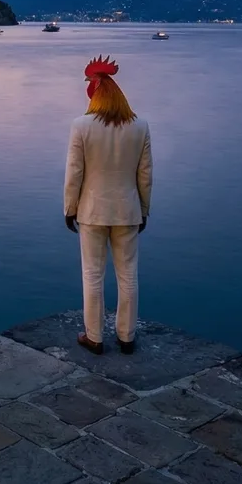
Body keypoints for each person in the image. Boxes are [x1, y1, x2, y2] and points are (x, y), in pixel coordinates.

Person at [63, 56, 153, 355]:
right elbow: (145, 174)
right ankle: (126, 336)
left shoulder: (81, 126)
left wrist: (69, 208)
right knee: (128, 275)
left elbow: (74, 173)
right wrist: (144, 209)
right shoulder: (140, 126)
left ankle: (94, 336)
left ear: (97, 90)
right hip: (127, 210)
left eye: (90, 83)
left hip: (92, 210)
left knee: (92, 275)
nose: (87, 87)